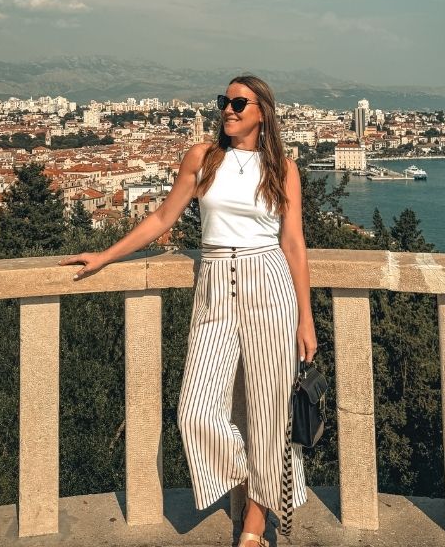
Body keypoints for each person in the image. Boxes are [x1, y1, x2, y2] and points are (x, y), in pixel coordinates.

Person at [60, 75, 317, 545]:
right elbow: (162, 218)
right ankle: (261, 472)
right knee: (194, 410)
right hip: (215, 284)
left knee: (271, 409)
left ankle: (254, 529)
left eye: (240, 103)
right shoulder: (202, 158)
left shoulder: (283, 168)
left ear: (263, 112)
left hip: (270, 284)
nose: (229, 110)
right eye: (225, 102)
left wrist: (306, 316)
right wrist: (105, 255)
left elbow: (294, 243)